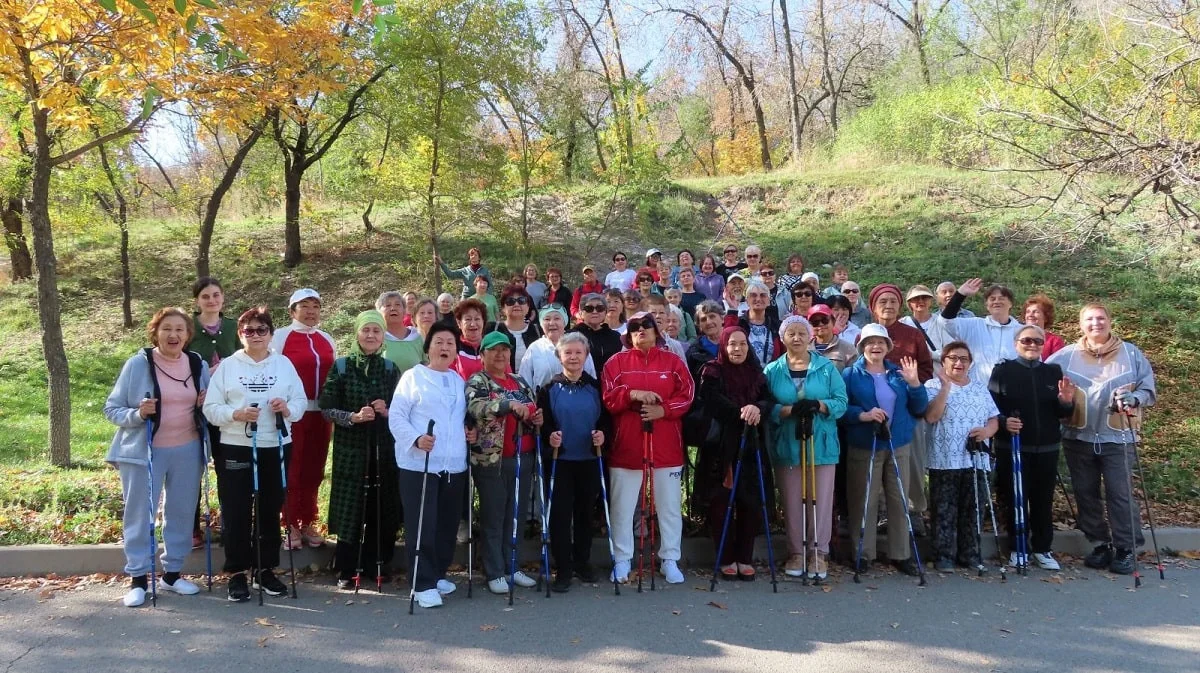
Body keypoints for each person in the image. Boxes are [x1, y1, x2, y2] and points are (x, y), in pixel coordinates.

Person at [105, 307, 211, 607]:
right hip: (143, 453)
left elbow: (208, 403)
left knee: (180, 511)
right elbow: (112, 409)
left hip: (188, 449)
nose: (173, 335)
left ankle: (172, 574)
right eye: (167, 329)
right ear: (155, 332)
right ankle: (138, 579)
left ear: (188, 334)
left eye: (180, 329)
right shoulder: (138, 364)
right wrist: (138, 413)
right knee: (140, 514)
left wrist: (205, 402)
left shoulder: (195, 363)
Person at [203, 307, 308, 602]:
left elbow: (299, 402)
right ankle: (236, 573)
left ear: (271, 334)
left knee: (270, 508)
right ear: (240, 334)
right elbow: (210, 409)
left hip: (275, 443)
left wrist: (287, 409)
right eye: (249, 330)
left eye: (262, 330)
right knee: (236, 510)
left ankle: (264, 570)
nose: (256, 335)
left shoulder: (284, 364)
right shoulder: (227, 367)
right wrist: (235, 413)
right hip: (236, 444)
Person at [1047, 304, 1157, 575]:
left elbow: (1148, 389)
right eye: (1089, 320)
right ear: (1081, 325)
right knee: (1085, 493)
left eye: (1100, 318)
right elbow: (1042, 383)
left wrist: (1135, 398)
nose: (1095, 323)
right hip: (1078, 437)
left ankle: (1126, 548)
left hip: (1118, 437)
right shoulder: (1065, 356)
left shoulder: (1131, 354)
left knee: (1120, 495)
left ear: (1110, 321)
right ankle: (1098, 543)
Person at [601, 312, 695, 585]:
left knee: (668, 507)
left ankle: (669, 559)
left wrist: (662, 410)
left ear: (657, 331)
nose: (641, 330)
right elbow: (608, 398)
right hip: (627, 447)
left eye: (647, 326)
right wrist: (632, 394)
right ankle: (621, 559)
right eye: (635, 327)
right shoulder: (615, 363)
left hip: (666, 446)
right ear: (628, 334)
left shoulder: (673, 361)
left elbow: (687, 395)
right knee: (623, 507)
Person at [388, 322, 472, 608]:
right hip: (419, 464)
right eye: (439, 342)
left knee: (446, 525)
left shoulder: (459, 381)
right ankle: (420, 583)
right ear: (428, 348)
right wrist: (415, 439)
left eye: (450, 343)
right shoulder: (413, 377)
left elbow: (460, 419)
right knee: (422, 524)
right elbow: (396, 417)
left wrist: (468, 431)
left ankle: (436, 574)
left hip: (454, 464)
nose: (445, 347)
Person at [319, 311, 402, 589]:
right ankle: (345, 567)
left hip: (383, 449)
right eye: (365, 330)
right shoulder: (342, 367)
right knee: (351, 507)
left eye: (376, 332)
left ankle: (377, 563)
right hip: (351, 451)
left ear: (383, 337)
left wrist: (386, 410)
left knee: (382, 506)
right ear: (356, 334)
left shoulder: (390, 369)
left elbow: (403, 410)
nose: (370, 336)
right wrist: (352, 417)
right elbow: (326, 407)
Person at [842, 324, 929, 576]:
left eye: (881, 342)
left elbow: (919, 407)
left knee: (899, 499)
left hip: (897, 443)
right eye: (870, 342)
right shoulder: (850, 374)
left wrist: (914, 384)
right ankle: (863, 554)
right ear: (862, 347)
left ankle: (900, 554)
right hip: (864, 444)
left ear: (888, 347)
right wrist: (863, 415)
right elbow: (841, 409)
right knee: (863, 500)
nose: (876, 347)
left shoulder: (899, 373)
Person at [764, 316, 847, 579]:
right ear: (782, 337)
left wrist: (820, 406)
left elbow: (841, 401)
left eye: (802, 332)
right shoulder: (772, 370)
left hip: (821, 442)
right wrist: (785, 410)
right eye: (792, 333)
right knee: (792, 499)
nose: (797, 337)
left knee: (820, 499)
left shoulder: (826, 368)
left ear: (811, 336)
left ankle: (818, 552)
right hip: (788, 441)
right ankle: (796, 552)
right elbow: (765, 405)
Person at [989, 325, 1076, 570]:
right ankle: (1018, 548)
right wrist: (1005, 422)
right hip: (1012, 446)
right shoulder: (1003, 370)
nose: (1032, 345)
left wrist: (1066, 402)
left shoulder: (1052, 371)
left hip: (1046, 446)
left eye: (1038, 341)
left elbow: (1062, 412)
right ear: (1017, 343)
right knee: (1013, 498)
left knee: (1042, 499)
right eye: (1026, 340)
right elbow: (992, 408)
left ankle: (1042, 548)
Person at [466, 331, 542, 595]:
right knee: (494, 516)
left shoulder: (519, 381)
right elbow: (476, 408)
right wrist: (507, 405)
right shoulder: (479, 381)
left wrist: (536, 417)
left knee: (516, 515)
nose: (500, 354)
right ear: (483, 354)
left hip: (524, 456)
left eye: (504, 350)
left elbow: (531, 407)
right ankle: (495, 571)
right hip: (492, 460)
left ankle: (513, 565)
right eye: (493, 350)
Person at [696, 327, 773, 581]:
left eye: (742, 344)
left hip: (751, 443)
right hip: (721, 446)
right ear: (724, 346)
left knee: (749, 501)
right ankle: (726, 557)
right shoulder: (712, 370)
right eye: (732, 344)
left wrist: (756, 408)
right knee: (721, 501)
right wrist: (743, 411)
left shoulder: (755, 372)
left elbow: (768, 400)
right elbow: (712, 400)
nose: (737, 349)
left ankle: (745, 557)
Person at [537, 332, 608, 592]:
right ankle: (563, 568)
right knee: (559, 516)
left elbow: (605, 420)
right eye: (568, 353)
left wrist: (603, 434)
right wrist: (549, 435)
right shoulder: (548, 389)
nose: (573, 357)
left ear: (586, 356)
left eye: (578, 352)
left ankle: (582, 562)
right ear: (559, 357)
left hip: (589, 459)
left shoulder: (595, 387)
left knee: (584, 514)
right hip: (560, 461)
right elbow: (542, 423)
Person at [922, 341, 1000, 572]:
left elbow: (994, 418)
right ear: (943, 361)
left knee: (974, 508)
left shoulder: (979, 387)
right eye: (953, 358)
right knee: (944, 508)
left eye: (964, 359)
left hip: (976, 458)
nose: (958, 363)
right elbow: (931, 417)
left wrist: (987, 431)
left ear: (970, 363)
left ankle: (970, 554)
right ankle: (943, 555)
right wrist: (946, 388)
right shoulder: (932, 385)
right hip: (944, 459)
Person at [270, 289, 337, 550]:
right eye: (304, 306)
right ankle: (290, 523)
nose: (310, 311)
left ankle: (309, 520)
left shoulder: (326, 339)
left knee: (315, 468)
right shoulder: (281, 337)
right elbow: (272, 369)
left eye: (315, 306)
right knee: (293, 468)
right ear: (292, 311)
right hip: (292, 413)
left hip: (321, 413)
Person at [867, 283, 933, 533]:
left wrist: (911, 381)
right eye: (882, 301)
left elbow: (927, 369)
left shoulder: (912, 334)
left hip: (906, 408)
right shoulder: (865, 334)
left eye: (893, 301)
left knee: (912, 462)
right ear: (873, 307)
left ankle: (914, 511)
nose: (888, 306)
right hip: (876, 410)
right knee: (878, 461)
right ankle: (883, 512)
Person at [186, 276, 238, 548]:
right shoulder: (187, 327)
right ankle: (191, 528)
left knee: (227, 467)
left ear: (223, 297)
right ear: (197, 300)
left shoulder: (233, 327)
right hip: (193, 407)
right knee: (193, 469)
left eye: (216, 295)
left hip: (226, 408)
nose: (211, 300)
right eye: (205, 296)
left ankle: (231, 526)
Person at [937, 278, 1023, 383]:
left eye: (1001, 298)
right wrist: (960, 295)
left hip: (1013, 389)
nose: (996, 301)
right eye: (992, 299)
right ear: (987, 305)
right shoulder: (974, 324)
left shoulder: (1022, 331)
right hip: (980, 391)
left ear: (1011, 303)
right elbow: (945, 321)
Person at [521, 304, 596, 391]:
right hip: (543, 402)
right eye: (547, 319)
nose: (552, 323)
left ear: (564, 322)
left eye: (557, 318)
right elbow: (524, 382)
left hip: (578, 400)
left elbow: (591, 378)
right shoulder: (534, 348)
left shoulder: (579, 344)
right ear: (541, 324)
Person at [726, 281, 782, 365]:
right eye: (753, 295)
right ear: (747, 301)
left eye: (763, 295)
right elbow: (726, 338)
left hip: (772, 374)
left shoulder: (778, 325)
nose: (758, 299)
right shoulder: (739, 323)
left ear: (768, 301)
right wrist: (732, 309)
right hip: (745, 373)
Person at [489, 284, 542, 371]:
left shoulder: (538, 331)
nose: (516, 304)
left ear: (528, 307)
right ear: (503, 308)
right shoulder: (492, 329)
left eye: (521, 300)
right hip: (501, 382)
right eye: (510, 301)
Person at [900, 285, 953, 365]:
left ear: (930, 301)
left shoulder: (940, 322)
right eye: (916, 298)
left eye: (924, 297)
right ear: (910, 303)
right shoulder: (903, 323)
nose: (921, 301)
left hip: (938, 375)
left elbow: (952, 352)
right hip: (911, 374)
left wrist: (931, 354)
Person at [572, 292, 624, 373]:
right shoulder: (571, 336)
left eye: (600, 308)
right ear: (581, 313)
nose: (595, 312)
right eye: (589, 309)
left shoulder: (615, 337)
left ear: (605, 312)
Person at [377, 291, 424, 373]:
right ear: (379, 312)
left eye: (397, 305)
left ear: (404, 310)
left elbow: (428, 366)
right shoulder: (376, 339)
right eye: (388, 305)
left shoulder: (417, 336)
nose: (393, 308)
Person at [808, 304, 857, 372]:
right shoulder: (805, 349)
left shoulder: (848, 348)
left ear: (833, 321)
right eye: (815, 322)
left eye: (825, 320)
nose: (820, 324)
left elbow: (854, 376)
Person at [686, 300, 725, 384]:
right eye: (703, 319)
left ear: (722, 319)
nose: (708, 322)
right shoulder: (694, 352)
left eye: (712, 316)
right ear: (699, 326)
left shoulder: (736, 342)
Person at [451, 299, 488, 381]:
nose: (473, 324)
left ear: (483, 321)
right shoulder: (453, 348)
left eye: (477, 319)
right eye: (468, 319)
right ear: (459, 323)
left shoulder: (493, 345)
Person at [645, 294, 688, 362]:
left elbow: (683, 371)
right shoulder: (635, 340)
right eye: (653, 312)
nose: (657, 316)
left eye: (662, 313)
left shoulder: (675, 346)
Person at [1022, 293, 1066, 359]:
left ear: (1046, 317)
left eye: (1035, 312)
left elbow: (1058, 365)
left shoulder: (1054, 341)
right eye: (1028, 312)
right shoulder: (1018, 338)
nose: (1030, 315)